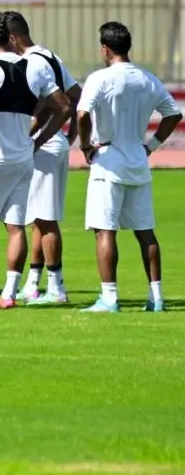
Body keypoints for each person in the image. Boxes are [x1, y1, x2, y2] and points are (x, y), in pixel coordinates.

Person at [76, 21, 182, 313]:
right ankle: (156, 296)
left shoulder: (100, 78)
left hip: (108, 160)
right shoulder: (148, 79)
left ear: (105, 48)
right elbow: (173, 114)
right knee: (145, 231)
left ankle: (110, 298)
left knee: (104, 230)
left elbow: (82, 115)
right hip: (137, 157)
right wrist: (151, 146)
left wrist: (86, 146)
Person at [0, 12, 71, 309]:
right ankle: (9, 294)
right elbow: (64, 107)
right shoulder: (37, 67)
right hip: (22, 159)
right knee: (16, 227)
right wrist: (37, 140)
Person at [5, 11, 82, 304]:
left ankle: (57, 288)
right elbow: (76, 95)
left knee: (46, 219)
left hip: (44, 147)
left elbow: (55, 106)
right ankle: (33, 283)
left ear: (12, 38)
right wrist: (71, 132)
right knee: (38, 216)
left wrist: (36, 138)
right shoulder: (50, 55)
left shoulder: (31, 63)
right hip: (54, 144)